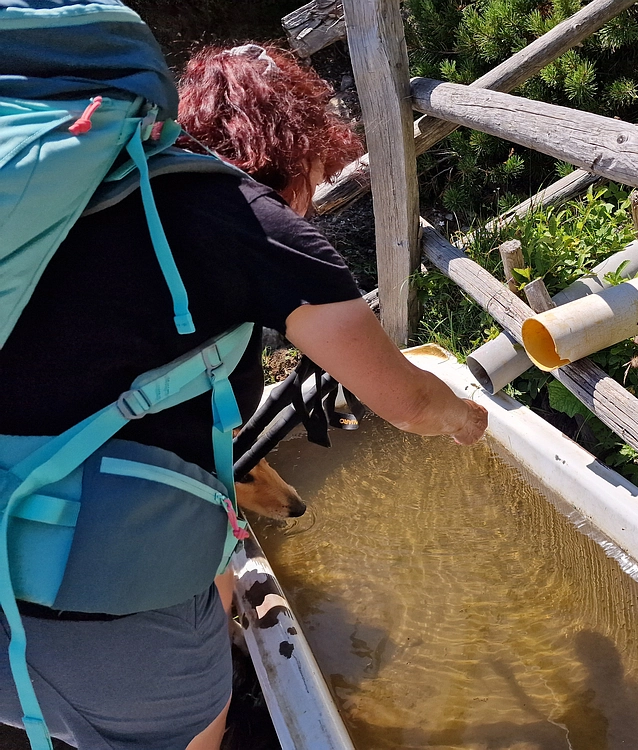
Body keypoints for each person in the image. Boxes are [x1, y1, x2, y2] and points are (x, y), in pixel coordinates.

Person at [0, 38, 487, 750]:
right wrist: (465, 413)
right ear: (295, 146)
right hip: (118, 624)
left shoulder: (52, 212)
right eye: (319, 174)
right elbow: (407, 401)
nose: (315, 199)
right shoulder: (246, 220)